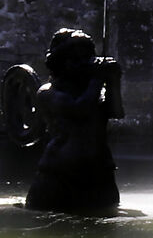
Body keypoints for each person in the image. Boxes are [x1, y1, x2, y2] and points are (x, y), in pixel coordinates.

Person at [24, 28, 122, 214]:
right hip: (60, 174)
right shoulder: (49, 92)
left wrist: (113, 81)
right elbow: (79, 110)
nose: (82, 64)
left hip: (99, 172)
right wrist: (98, 78)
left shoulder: (93, 92)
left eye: (86, 58)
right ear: (59, 63)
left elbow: (116, 111)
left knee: (103, 232)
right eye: (75, 59)